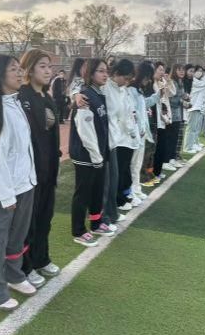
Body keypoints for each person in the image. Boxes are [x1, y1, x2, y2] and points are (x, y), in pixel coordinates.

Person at [0, 54, 37, 312]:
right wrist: (6, 195)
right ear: (0, 75)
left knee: (17, 238)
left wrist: (28, 180)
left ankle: (14, 275)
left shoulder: (15, 103)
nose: (20, 73)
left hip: (23, 184)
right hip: (2, 192)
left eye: (20, 68)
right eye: (14, 69)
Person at [18, 50, 61, 289]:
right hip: (31, 171)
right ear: (30, 68)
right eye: (42, 66)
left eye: (49, 66)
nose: (47, 70)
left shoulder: (47, 96)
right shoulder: (21, 95)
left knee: (45, 218)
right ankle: (25, 267)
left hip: (48, 169)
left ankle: (41, 258)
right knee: (29, 222)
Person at [69, 58, 113, 247]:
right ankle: (78, 230)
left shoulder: (98, 94)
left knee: (97, 190)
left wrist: (101, 153)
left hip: (98, 154)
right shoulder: (85, 96)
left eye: (106, 71)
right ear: (90, 73)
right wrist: (96, 156)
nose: (105, 74)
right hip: (85, 155)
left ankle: (96, 222)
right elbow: (85, 131)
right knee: (83, 193)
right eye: (101, 71)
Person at [102, 59, 138, 220]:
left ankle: (112, 212)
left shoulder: (122, 90)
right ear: (116, 73)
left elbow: (127, 113)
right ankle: (105, 214)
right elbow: (78, 85)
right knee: (108, 180)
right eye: (126, 78)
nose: (127, 82)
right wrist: (75, 94)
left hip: (116, 139)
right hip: (108, 138)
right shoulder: (105, 88)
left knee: (115, 177)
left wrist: (133, 130)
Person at [128, 61, 160, 199]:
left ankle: (136, 188)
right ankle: (131, 190)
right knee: (132, 164)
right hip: (134, 134)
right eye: (147, 77)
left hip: (141, 133)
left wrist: (157, 96)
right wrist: (136, 130)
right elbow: (132, 112)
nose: (148, 81)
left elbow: (144, 105)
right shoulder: (131, 90)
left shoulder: (139, 90)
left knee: (137, 164)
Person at [168, 64, 188, 167]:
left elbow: (179, 96)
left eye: (183, 70)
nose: (182, 72)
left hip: (178, 113)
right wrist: (182, 101)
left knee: (176, 137)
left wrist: (185, 96)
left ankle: (174, 158)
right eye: (179, 70)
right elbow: (171, 99)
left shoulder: (180, 82)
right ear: (174, 71)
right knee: (172, 138)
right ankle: (170, 159)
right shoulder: (173, 82)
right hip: (172, 114)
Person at [185, 66, 205, 154]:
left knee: (196, 128)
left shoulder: (197, 81)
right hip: (193, 107)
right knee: (191, 128)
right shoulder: (194, 82)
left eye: (202, 71)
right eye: (198, 71)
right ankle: (188, 147)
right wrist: (204, 76)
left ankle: (194, 143)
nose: (200, 73)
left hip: (198, 106)